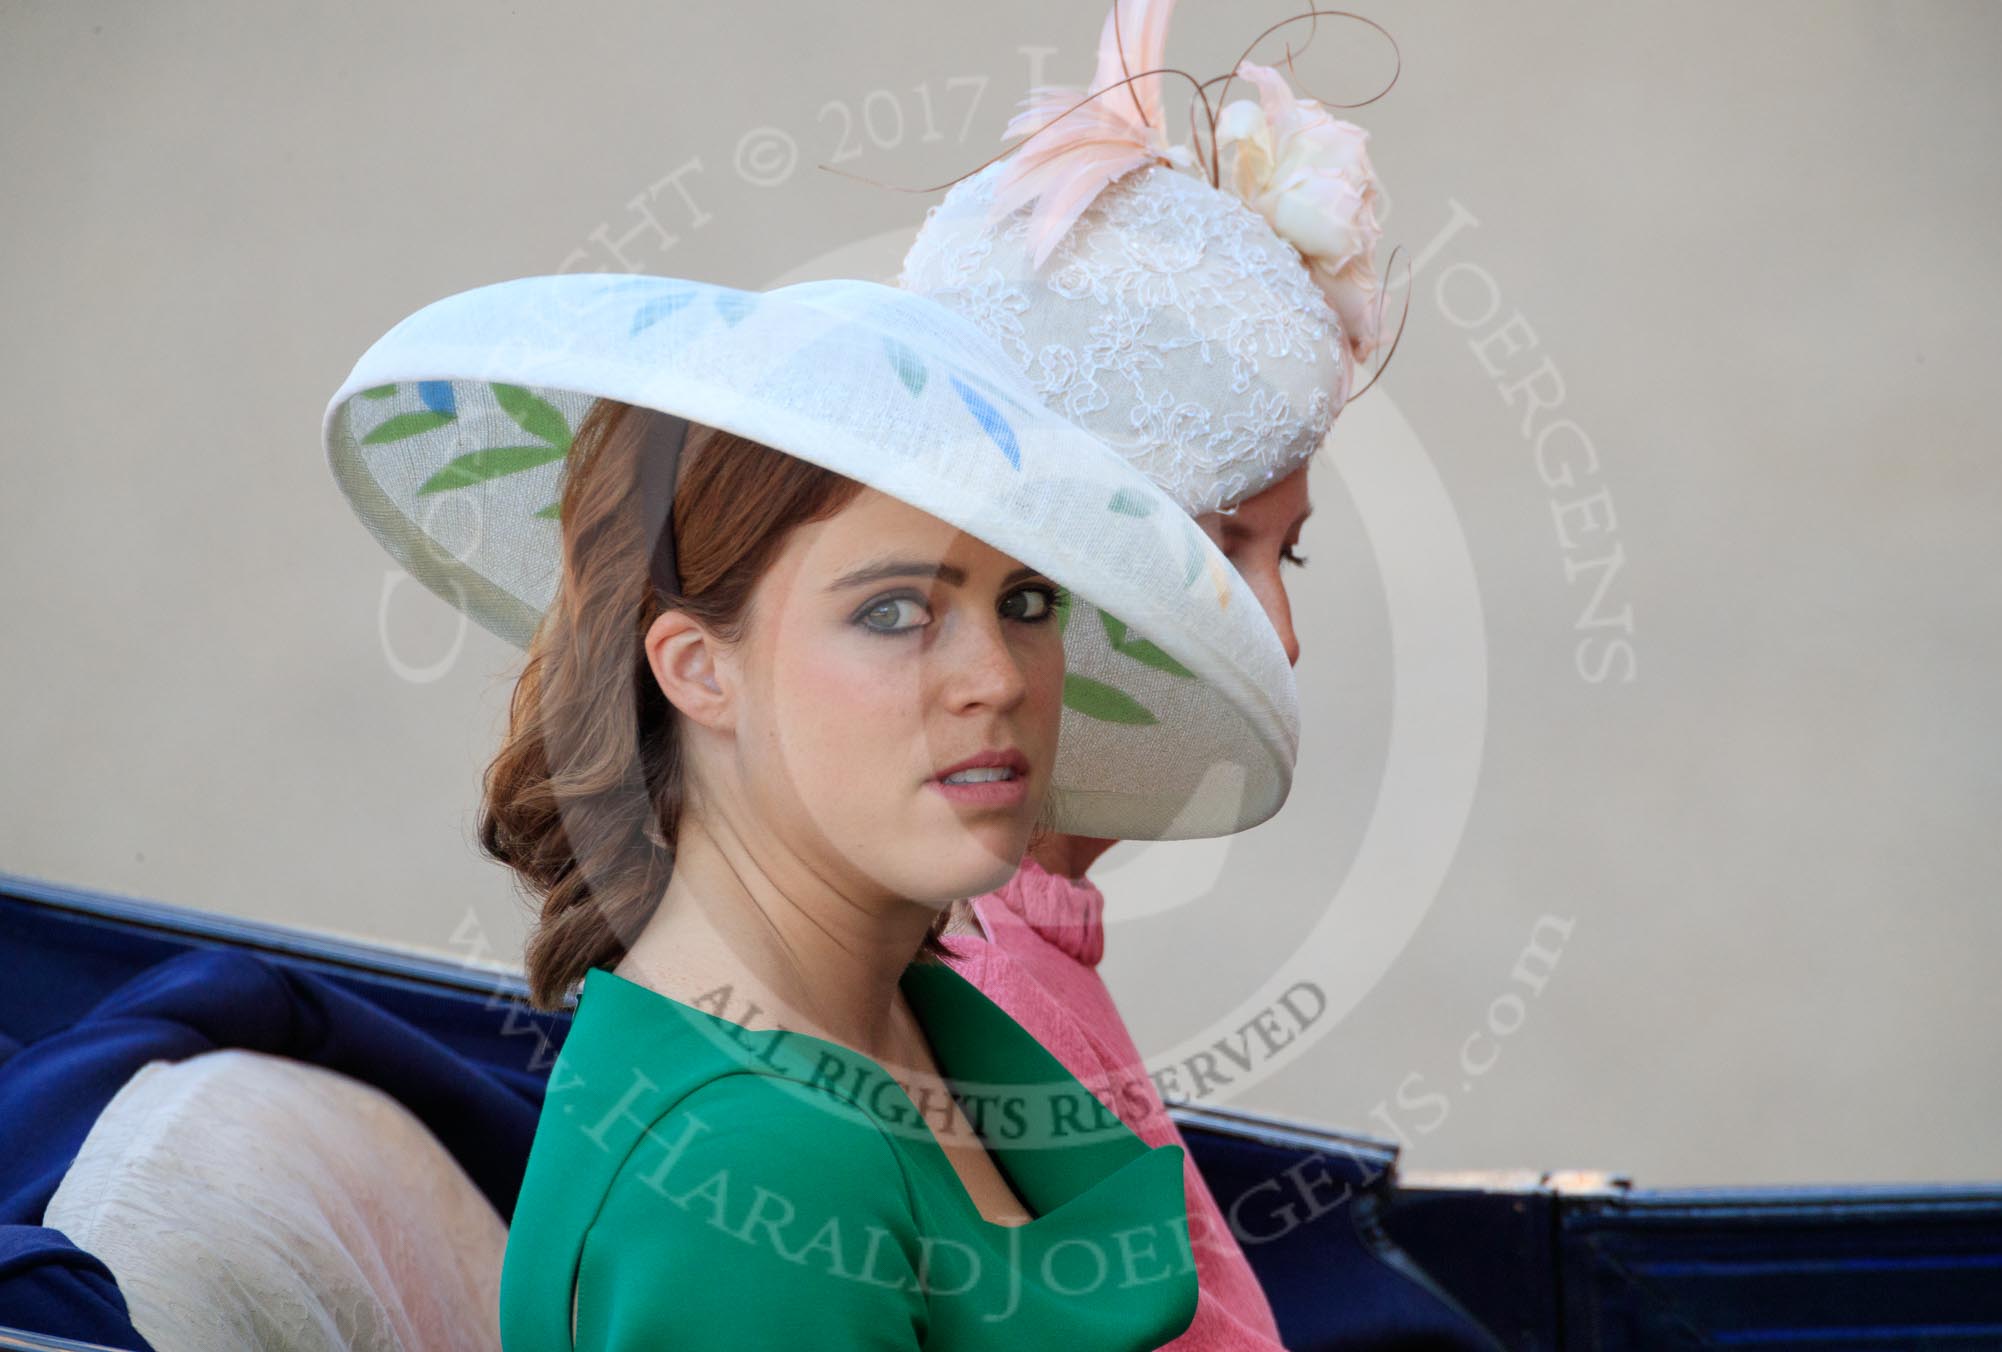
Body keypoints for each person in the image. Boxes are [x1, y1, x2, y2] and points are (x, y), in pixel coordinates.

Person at [321, 272, 1303, 1348]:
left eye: (1025, 600)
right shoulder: (748, 1171)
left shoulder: (922, 1020)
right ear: (700, 672)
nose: (999, 676)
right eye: (893, 610)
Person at [897, 2, 1407, 1346]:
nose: (1280, 637)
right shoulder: (984, 986)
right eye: (1220, 542)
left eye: (1291, 557)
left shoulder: (1006, 941)